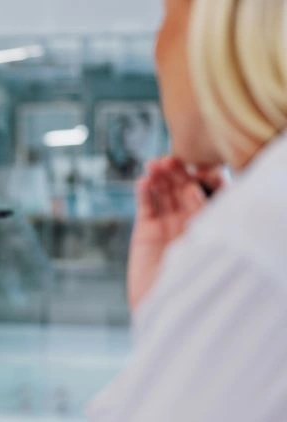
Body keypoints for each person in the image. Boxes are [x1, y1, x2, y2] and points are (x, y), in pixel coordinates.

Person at [88, 0, 287, 420]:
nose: (156, 50)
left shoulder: (248, 236)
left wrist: (203, 275)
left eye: (166, 18)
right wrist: (169, 305)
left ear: (220, 32)